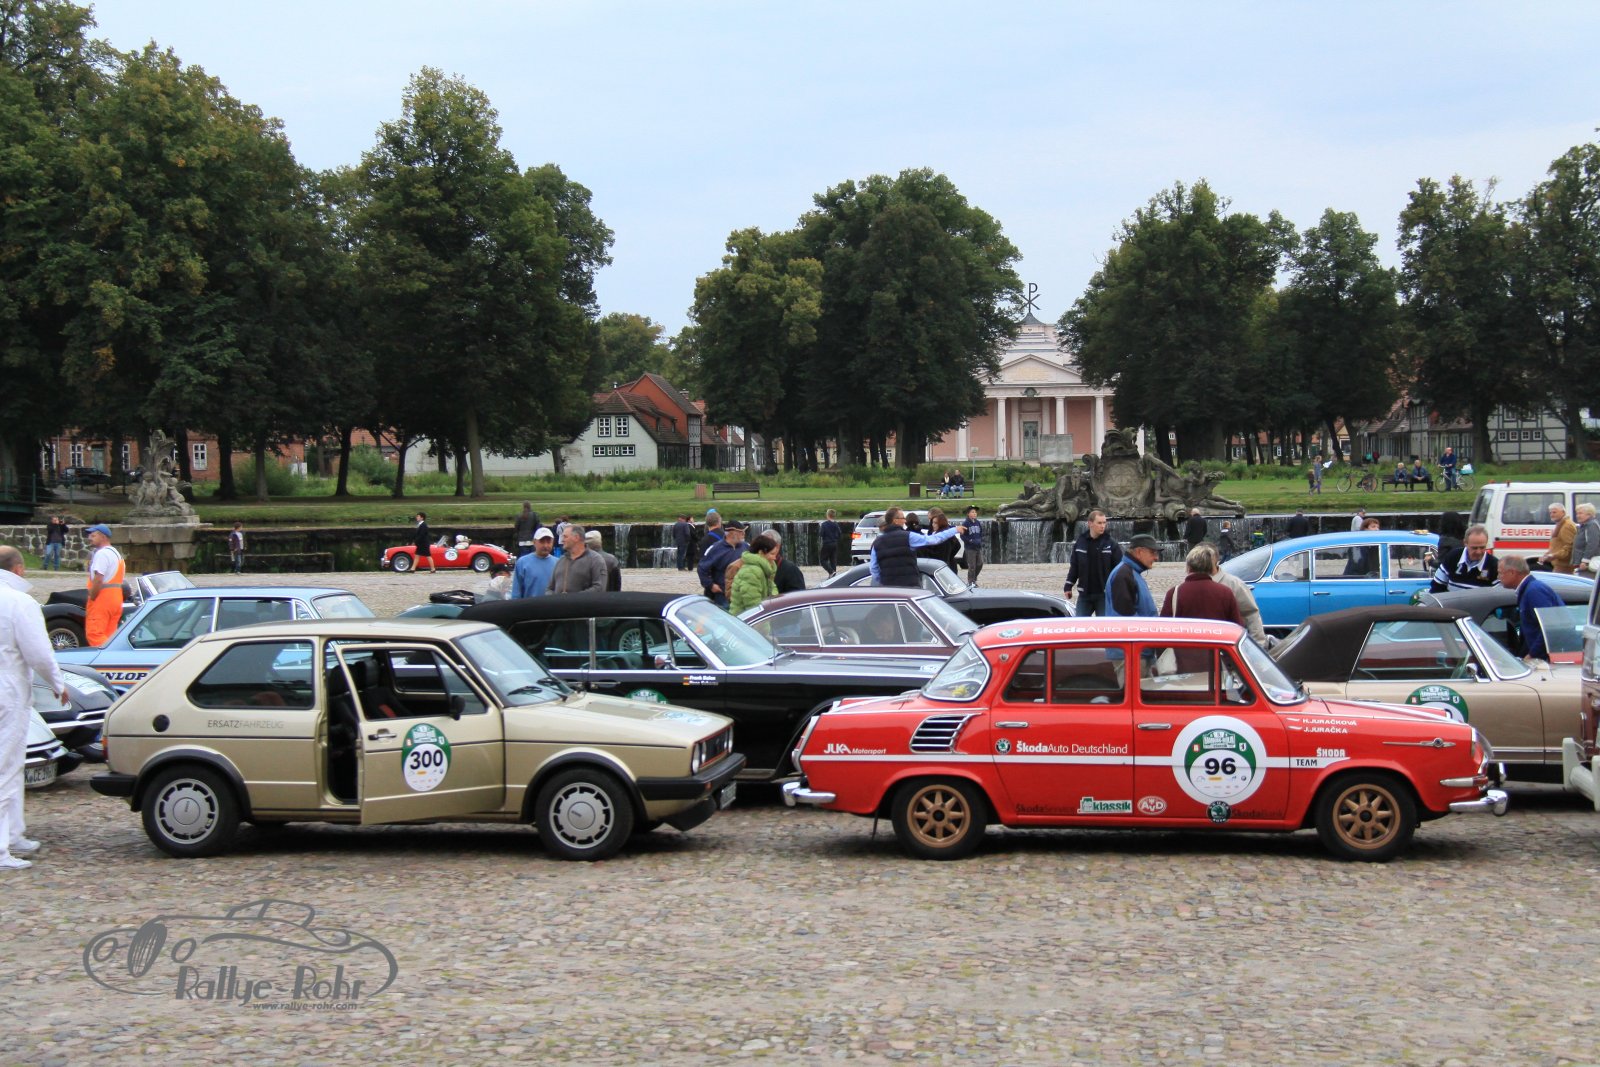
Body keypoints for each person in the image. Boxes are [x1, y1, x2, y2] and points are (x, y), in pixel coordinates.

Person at [0, 544, 67, 870]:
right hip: (8, 690)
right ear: (18, 569)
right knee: (6, 766)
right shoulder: (19, 601)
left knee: (11, 765)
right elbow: (39, 652)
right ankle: (1, 847)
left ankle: (13, 833)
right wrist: (58, 683)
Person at [869, 507, 960, 587]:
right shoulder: (908, 536)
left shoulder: (877, 542)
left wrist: (883, 581)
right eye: (902, 518)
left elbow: (873, 568)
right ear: (895, 520)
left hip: (888, 587)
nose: (905, 521)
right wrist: (954, 530)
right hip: (909, 584)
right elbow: (933, 539)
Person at [1498, 554, 1564, 662]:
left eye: (1500, 573)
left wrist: (1533, 655)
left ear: (1512, 572)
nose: (1498, 577)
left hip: (1550, 659)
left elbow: (1549, 628)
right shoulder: (1529, 589)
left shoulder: (1534, 591)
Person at [1162, 544, 1243, 625]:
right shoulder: (1225, 592)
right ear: (1211, 568)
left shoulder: (1174, 593)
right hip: (1218, 633)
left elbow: (1163, 626)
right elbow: (1237, 626)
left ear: (1188, 567)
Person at [1063, 509, 1122, 617]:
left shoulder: (1111, 544)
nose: (1102, 526)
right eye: (1099, 523)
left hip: (1104, 595)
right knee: (1079, 624)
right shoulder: (1080, 542)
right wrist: (1068, 586)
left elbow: (1119, 569)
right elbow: (1075, 566)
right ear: (1090, 523)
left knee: (1104, 625)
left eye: (1104, 523)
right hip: (1084, 595)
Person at [82, 523, 124, 647]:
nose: (90, 538)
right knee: (110, 636)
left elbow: (98, 579)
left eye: (93, 535)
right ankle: (114, 656)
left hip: (102, 598)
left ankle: (105, 658)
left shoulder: (102, 554)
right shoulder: (116, 554)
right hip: (116, 598)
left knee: (94, 634)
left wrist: (92, 596)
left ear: (103, 537)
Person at [1212, 560, 1268, 645]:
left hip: (1229, 645)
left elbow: (1251, 614)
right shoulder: (1192, 585)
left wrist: (1258, 644)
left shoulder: (1234, 584)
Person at [1429, 523, 1498, 592]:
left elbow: (1499, 595)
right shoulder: (1453, 557)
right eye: (1474, 548)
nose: (1478, 552)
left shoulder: (1494, 565)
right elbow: (1437, 586)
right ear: (1465, 543)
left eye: (1482, 547)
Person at [1105, 533, 1161, 617]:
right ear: (1139, 552)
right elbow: (1125, 618)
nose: (1156, 558)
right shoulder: (1124, 575)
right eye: (1152, 552)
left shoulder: (1131, 572)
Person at [729, 532, 781, 614]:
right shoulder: (752, 572)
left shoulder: (763, 570)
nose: (775, 558)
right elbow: (754, 607)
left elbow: (772, 588)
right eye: (772, 554)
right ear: (761, 553)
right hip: (744, 620)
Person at [699, 521, 748, 606]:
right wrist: (711, 585)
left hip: (742, 592)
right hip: (722, 594)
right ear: (732, 533)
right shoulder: (715, 549)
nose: (744, 535)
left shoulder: (746, 546)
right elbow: (702, 568)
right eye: (741, 532)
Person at [549, 524, 607, 594]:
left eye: (565, 537)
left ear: (576, 538)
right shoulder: (561, 560)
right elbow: (550, 588)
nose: (562, 540)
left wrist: (572, 598)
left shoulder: (595, 560)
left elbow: (599, 588)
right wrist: (552, 598)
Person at [512, 527, 558, 598]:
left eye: (548, 542)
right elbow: (516, 591)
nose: (545, 545)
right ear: (534, 542)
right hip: (529, 604)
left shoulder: (558, 563)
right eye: (542, 542)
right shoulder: (522, 563)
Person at [1540, 503, 1577, 574]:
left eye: (1554, 512)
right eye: (1550, 513)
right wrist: (1548, 554)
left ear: (1563, 512)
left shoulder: (1567, 526)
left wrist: (1553, 555)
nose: (1552, 515)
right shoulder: (1561, 524)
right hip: (1561, 564)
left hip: (1564, 566)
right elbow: (1558, 544)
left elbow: (1569, 547)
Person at [960, 506, 984, 587]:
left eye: (975, 512)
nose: (974, 514)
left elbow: (981, 533)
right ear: (968, 514)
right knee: (972, 566)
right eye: (973, 512)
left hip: (978, 547)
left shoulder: (978, 522)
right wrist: (969, 541)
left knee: (980, 563)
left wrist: (980, 540)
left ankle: (974, 578)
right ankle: (971, 582)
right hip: (970, 548)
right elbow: (962, 536)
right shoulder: (966, 523)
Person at [1574, 504, 1600, 576]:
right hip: (1584, 563)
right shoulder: (1584, 525)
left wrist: (1585, 561)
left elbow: (1592, 544)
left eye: (1580, 513)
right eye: (1577, 513)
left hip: (1588, 564)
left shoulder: (1591, 525)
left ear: (1589, 514)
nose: (1577, 516)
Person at [818, 510, 841, 578]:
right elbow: (839, 533)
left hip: (827, 544)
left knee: (822, 560)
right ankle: (833, 576)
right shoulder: (836, 524)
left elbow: (821, 534)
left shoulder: (824, 524)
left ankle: (831, 572)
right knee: (833, 560)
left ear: (827, 515)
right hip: (834, 544)